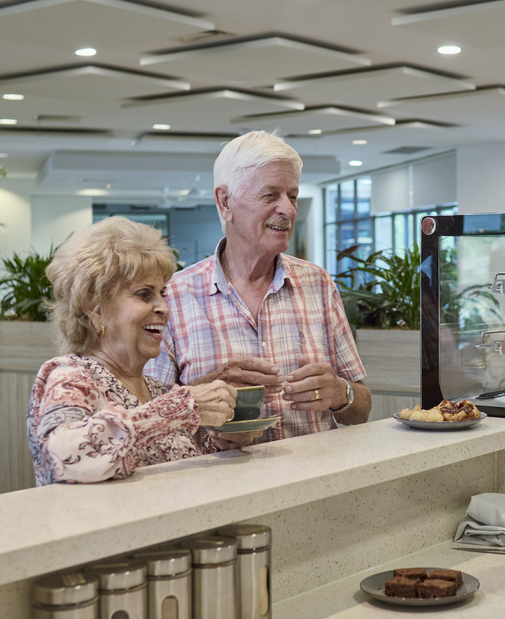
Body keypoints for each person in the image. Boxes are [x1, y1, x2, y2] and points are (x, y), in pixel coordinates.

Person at [148, 130, 371, 440]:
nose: (290, 209)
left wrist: (340, 392)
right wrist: (208, 389)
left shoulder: (318, 283)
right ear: (225, 201)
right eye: (271, 195)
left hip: (318, 479)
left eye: (292, 196)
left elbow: (362, 407)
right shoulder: (172, 296)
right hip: (220, 484)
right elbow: (147, 418)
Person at [28, 217, 249, 486]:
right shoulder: (70, 377)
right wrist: (180, 408)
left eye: (162, 293)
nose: (164, 308)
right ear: (94, 306)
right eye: (144, 294)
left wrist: (225, 445)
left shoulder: (155, 391)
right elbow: (62, 458)